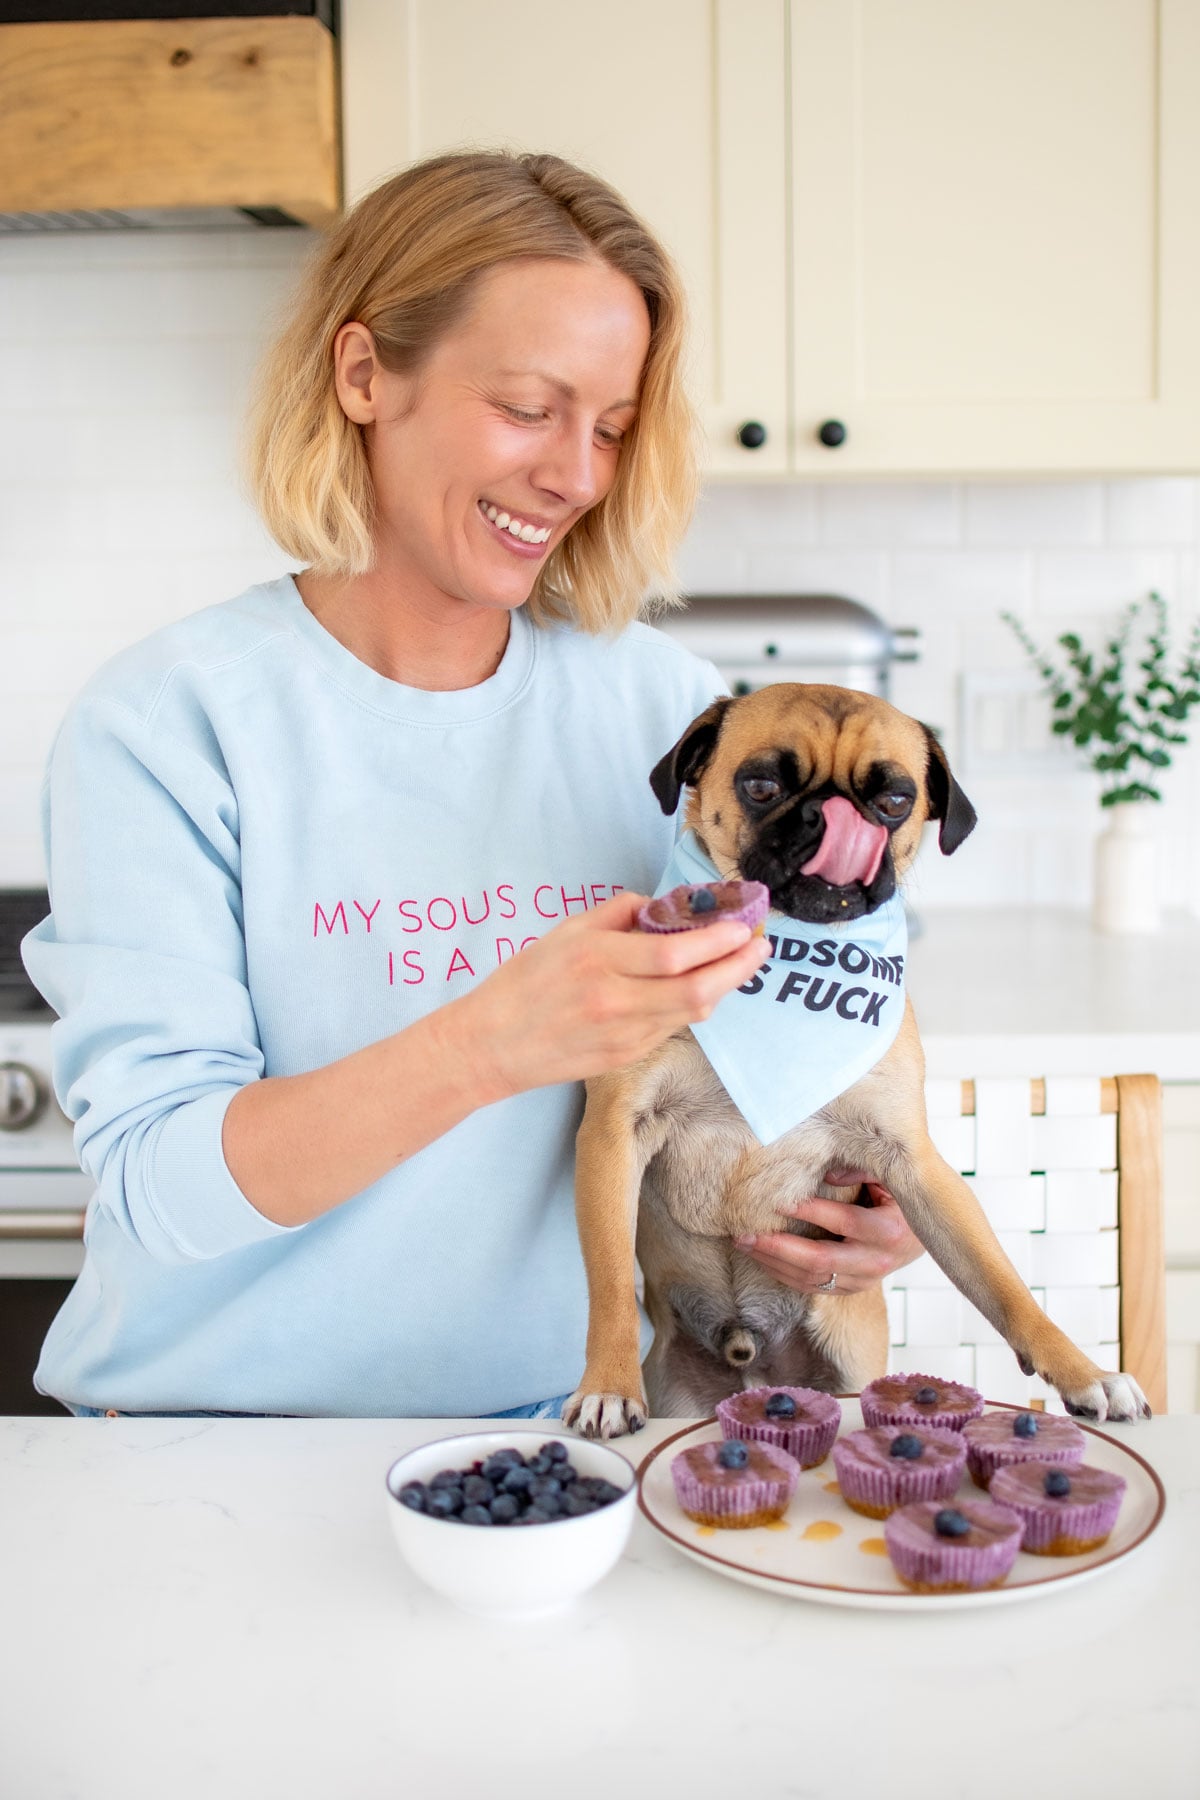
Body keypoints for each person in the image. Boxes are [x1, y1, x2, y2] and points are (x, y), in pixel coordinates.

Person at [23, 150, 921, 1420]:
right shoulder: (171, 723)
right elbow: (157, 1192)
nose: (575, 475)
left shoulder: (669, 714)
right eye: (526, 406)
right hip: (203, 1449)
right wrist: (492, 1041)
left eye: (611, 427)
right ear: (362, 374)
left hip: (561, 1444)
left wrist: (860, 1214)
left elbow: (812, 1031)